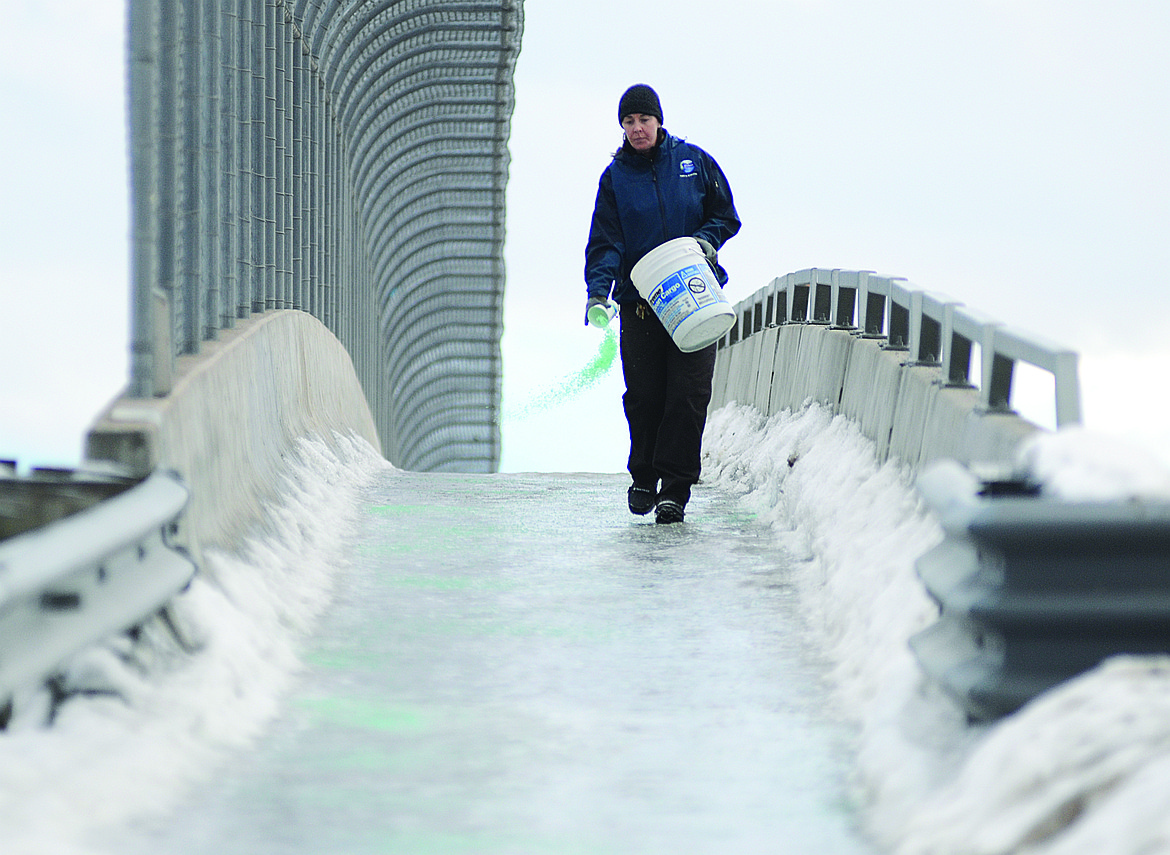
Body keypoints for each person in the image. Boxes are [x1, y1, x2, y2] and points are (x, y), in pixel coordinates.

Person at [584, 84, 741, 524]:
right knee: (646, 398)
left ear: (659, 121)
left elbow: (725, 215)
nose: (636, 129)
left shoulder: (693, 162)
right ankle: (643, 476)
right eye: (628, 123)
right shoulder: (615, 179)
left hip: (694, 298)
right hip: (641, 308)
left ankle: (675, 490)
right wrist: (598, 293)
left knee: (688, 398)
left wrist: (706, 242)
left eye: (643, 121)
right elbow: (606, 242)